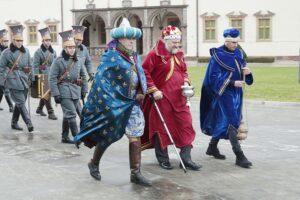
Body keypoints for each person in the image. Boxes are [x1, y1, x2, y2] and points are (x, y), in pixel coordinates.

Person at [74, 18, 152, 186]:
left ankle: (135, 173)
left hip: (133, 104)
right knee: (107, 136)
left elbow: (140, 74)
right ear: (119, 39)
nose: (131, 41)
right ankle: (94, 162)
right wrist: (113, 102)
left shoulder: (134, 56)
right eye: (128, 38)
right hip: (115, 105)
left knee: (135, 135)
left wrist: (141, 91)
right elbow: (102, 83)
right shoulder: (111, 57)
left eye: (133, 38)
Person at [141, 25, 201, 171]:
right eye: (174, 42)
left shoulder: (179, 53)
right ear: (166, 40)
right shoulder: (154, 54)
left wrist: (186, 81)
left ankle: (186, 159)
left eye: (178, 41)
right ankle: (163, 158)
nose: (177, 44)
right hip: (161, 98)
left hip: (180, 98)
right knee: (161, 128)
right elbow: (144, 71)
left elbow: (184, 70)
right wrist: (153, 89)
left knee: (186, 125)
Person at [200, 28, 254, 168]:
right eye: (233, 42)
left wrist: (248, 74)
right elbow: (213, 78)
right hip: (224, 93)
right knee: (232, 121)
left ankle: (212, 147)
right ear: (226, 41)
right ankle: (239, 155)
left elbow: (244, 73)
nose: (235, 45)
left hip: (237, 93)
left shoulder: (239, 53)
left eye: (237, 42)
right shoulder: (217, 56)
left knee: (225, 122)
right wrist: (231, 83)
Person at [48, 30, 88, 144]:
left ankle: (64, 137)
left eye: (73, 47)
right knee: (71, 114)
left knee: (67, 114)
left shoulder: (78, 60)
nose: (72, 50)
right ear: (65, 48)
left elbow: (83, 75)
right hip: (64, 91)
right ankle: (77, 137)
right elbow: (52, 78)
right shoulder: (58, 61)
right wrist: (56, 94)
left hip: (76, 90)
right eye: (69, 48)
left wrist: (84, 89)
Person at [32, 27, 57, 120]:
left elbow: (56, 64)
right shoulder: (38, 52)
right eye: (46, 40)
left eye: (50, 40)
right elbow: (34, 66)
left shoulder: (53, 52)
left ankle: (39, 109)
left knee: (47, 93)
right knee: (47, 94)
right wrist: (35, 78)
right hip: (42, 76)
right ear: (42, 41)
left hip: (52, 75)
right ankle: (51, 112)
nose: (48, 42)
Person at [0, 29, 14, 112]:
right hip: (1, 72)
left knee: (4, 89)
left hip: (7, 72)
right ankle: (11, 105)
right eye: (4, 41)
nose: (6, 42)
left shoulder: (9, 50)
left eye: (7, 41)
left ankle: (11, 105)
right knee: (4, 90)